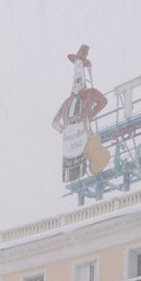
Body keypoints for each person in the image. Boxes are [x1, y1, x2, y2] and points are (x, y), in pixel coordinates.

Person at [52, 45, 109, 181]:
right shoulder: (72, 100)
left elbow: (103, 101)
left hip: (78, 136)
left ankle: (89, 167)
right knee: (85, 152)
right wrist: (66, 129)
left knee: (88, 151)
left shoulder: (86, 94)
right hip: (75, 137)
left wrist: (88, 116)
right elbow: (54, 122)